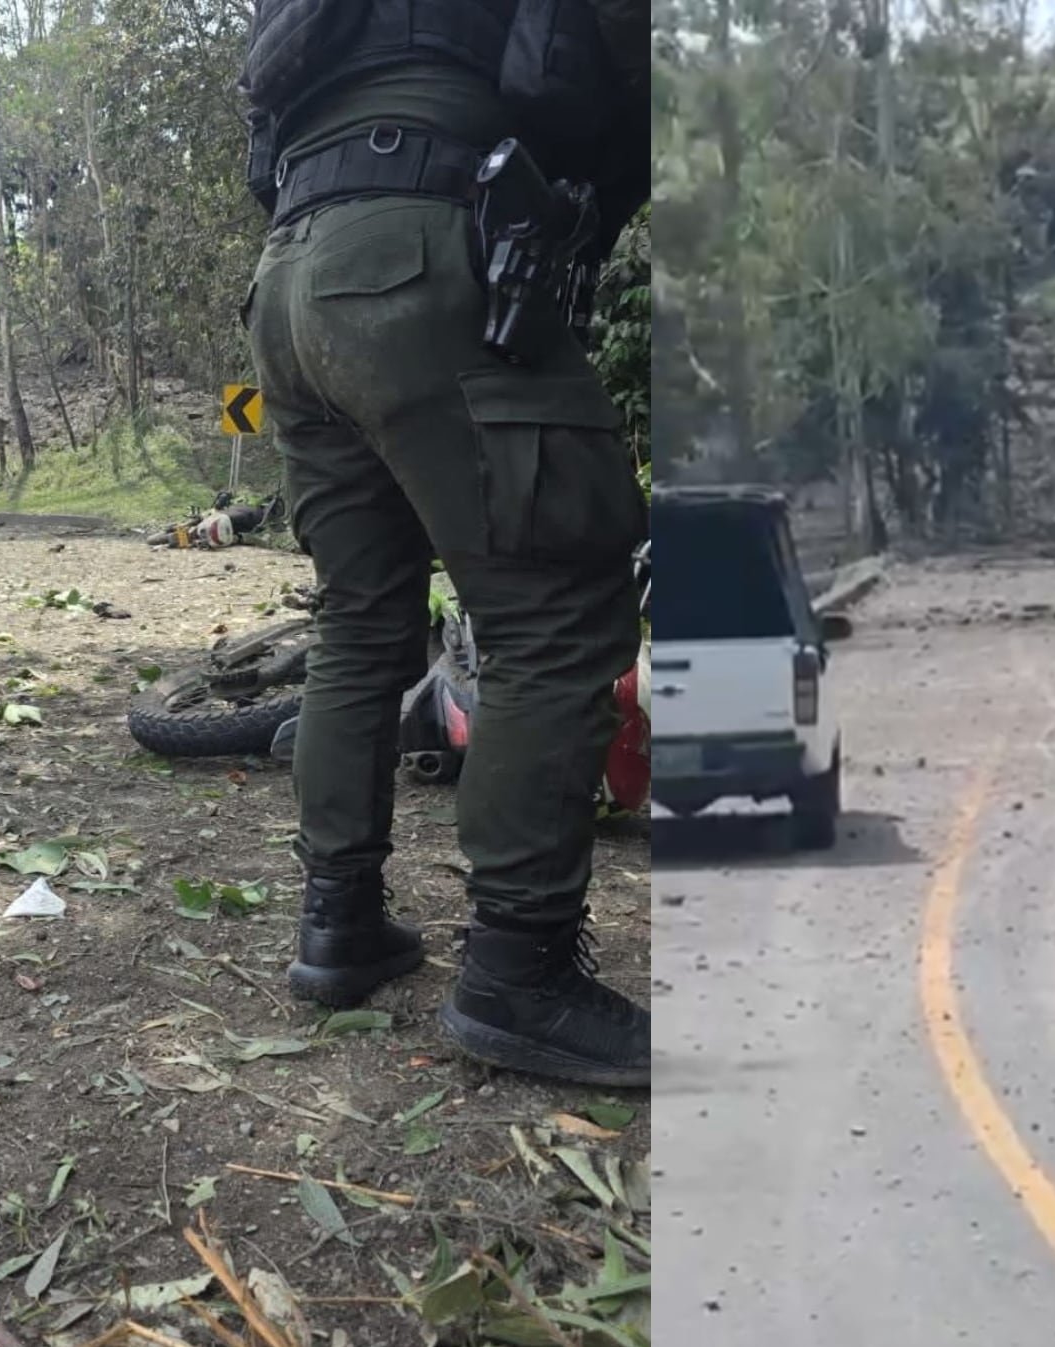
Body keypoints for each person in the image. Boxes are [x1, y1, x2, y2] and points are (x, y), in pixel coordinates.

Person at [238, 0, 652, 1087]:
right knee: (552, 613)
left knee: (359, 617)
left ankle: (339, 927)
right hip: (421, 241)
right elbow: (608, 61)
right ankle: (518, 974)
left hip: (287, 276)